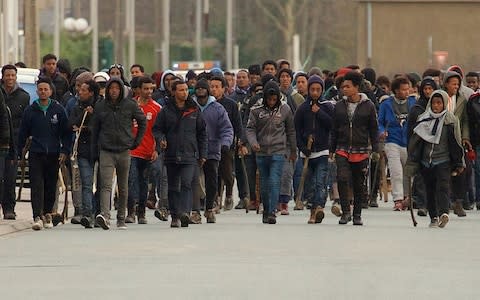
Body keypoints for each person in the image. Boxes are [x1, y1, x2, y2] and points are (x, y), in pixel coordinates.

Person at [91, 77, 146, 230]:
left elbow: (142, 121)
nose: (114, 91)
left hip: (124, 150)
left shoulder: (130, 105)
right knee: (105, 185)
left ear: (121, 89)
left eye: (117, 88)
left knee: (123, 186)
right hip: (106, 150)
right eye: (111, 88)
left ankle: (121, 218)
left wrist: (136, 141)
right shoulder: (101, 106)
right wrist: (95, 149)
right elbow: (95, 129)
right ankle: (105, 216)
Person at [18, 77, 71, 230]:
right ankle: (37, 215)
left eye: (45, 89)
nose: (43, 92)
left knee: (50, 185)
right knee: (36, 185)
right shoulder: (30, 110)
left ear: (51, 91)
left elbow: (66, 133)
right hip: (36, 153)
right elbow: (23, 133)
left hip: (54, 154)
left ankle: (48, 213)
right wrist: (20, 151)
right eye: (40, 89)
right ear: (37, 91)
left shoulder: (58, 109)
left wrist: (65, 150)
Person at [152, 80, 207, 228]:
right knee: (172, 186)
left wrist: (203, 154)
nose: (185, 92)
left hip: (190, 153)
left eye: (186, 90)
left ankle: (185, 212)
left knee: (187, 183)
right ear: (174, 92)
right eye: (181, 90)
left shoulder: (194, 110)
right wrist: (161, 139)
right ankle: (175, 215)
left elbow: (202, 133)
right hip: (171, 153)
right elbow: (157, 129)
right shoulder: (166, 110)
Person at [406, 90, 465, 228]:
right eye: (433, 103)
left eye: (439, 103)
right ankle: (433, 216)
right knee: (430, 189)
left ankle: (444, 213)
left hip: (443, 160)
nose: (436, 106)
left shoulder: (451, 121)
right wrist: (412, 161)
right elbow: (415, 142)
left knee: (443, 187)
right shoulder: (423, 119)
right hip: (426, 161)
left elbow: (457, 142)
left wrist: (459, 162)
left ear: (444, 103)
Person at [330, 71, 379, 226]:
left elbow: (373, 129)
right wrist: (331, 150)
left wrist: (376, 149)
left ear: (356, 87)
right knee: (343, 179)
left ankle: (357, 214)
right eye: (343, 86)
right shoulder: (338, 106)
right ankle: (346, 213)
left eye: (348, 86)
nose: (344, 89)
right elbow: (334, 129)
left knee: (359, 184)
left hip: (361, 150)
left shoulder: (369, 106)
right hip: (342, 148)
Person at [246, 80, 296, 224]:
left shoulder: (285, 109)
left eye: (275, 99)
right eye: (269, 99)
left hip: (278, 151)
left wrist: (293, 150)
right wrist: (253, 142)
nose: (272, 102)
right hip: (261, 152)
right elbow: (250, 129)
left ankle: (272, 211)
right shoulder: (256, 109)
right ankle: (266, 209)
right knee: (264, 183)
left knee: (274, 181)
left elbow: (291, 131)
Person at [192, 79, 233, 222]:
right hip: (194, 150)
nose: (201, 92)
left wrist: (225, 143)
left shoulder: (217, 108)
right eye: (198, 89)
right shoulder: (190, 107)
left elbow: (227, 128)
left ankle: (209, 208)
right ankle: (195, 210)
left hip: (213, 149)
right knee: (194, 181)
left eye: (203, 89)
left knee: (212, 181)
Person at [294, 75, 333, 224]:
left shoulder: (327, 106)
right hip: (307, 154)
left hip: (322, 151)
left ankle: (319, 208)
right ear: (309, 90)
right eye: (312, 89)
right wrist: (303, 147)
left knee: (320, 182)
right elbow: (297, 130)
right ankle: (312, 211)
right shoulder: (302, 108)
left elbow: (332, 125)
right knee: (309, 185)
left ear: (322, 90)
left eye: (318, 89)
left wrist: (319, 113)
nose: (315, 92)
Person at [126, 77, 161, 224]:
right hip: (132, 151)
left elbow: (159, 132)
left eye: (151, 89)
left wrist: (156, 150)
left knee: (143, 183)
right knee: (131, 181)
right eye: (145, 88)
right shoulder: (129, 105)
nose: (149, 92)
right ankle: (130, 212)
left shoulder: (156, 108)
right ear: (139, 89)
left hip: (147, 152)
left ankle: (142, 213)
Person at [378, 76, 416, 211]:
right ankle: (398, 199)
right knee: (396, 171)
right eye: (403, 89)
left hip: (409, 142)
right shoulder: (386, 104)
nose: (406, 92)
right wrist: (382, 132)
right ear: (395, 91)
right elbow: (380, 122)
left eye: (408, 89)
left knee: (409, 172)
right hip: (392, 141)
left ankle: (408, 197)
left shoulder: (413, 103)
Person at [68, 79, 99, 228]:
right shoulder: (76, 107)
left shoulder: (100, 106)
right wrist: (84, 117)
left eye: (84, 90)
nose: (80, 92)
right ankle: (88, 214)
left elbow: (100, 127)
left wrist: (89, 122)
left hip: (100, 151)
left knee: (101, 184)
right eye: (79, 89)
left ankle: (99, 212)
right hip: (83, 151)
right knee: (86, 184)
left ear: (91, 92)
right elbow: (72, 124)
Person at [0, 65, 29, 220]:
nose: (10, 78)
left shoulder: (23, 97)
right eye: (7, 75)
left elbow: (26, 122)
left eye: (13, 75)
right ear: (3, 77)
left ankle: (9, 209)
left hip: (15, 143)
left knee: (10, 178)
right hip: (1, 141)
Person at [406, 77, 438, 216]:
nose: (428, 91)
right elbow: (410, 130)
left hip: (436, 147)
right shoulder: (417, 108)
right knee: (420, 176)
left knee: (436, 177)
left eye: (430, 89)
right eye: (425, 89)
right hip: (420, 146)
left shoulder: (439, 107)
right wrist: (411, 147)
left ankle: (435, 205)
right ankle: (422, 205)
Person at [210, 76, 242, 211]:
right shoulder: (207, 104)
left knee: (227, 172)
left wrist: (240, 140)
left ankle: (229, 194)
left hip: (227, 144)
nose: (214, 90)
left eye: (217, 87)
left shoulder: (231, 104)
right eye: (212, 86)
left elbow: (237, 125)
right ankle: (216, 200)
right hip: (211, 144)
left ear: (224, 89)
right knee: (214, 173)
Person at [443, 71, 471, 217]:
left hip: (457, 139)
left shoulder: (462, 99)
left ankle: (458, 201)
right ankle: (443, 202)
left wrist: (465, 137)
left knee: (463, 169)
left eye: (457, 84)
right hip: (442, 139)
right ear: (446, 83)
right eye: (453, 83)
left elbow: (465, 120)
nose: (456, 86)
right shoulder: (439, 97)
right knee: (443, 170)